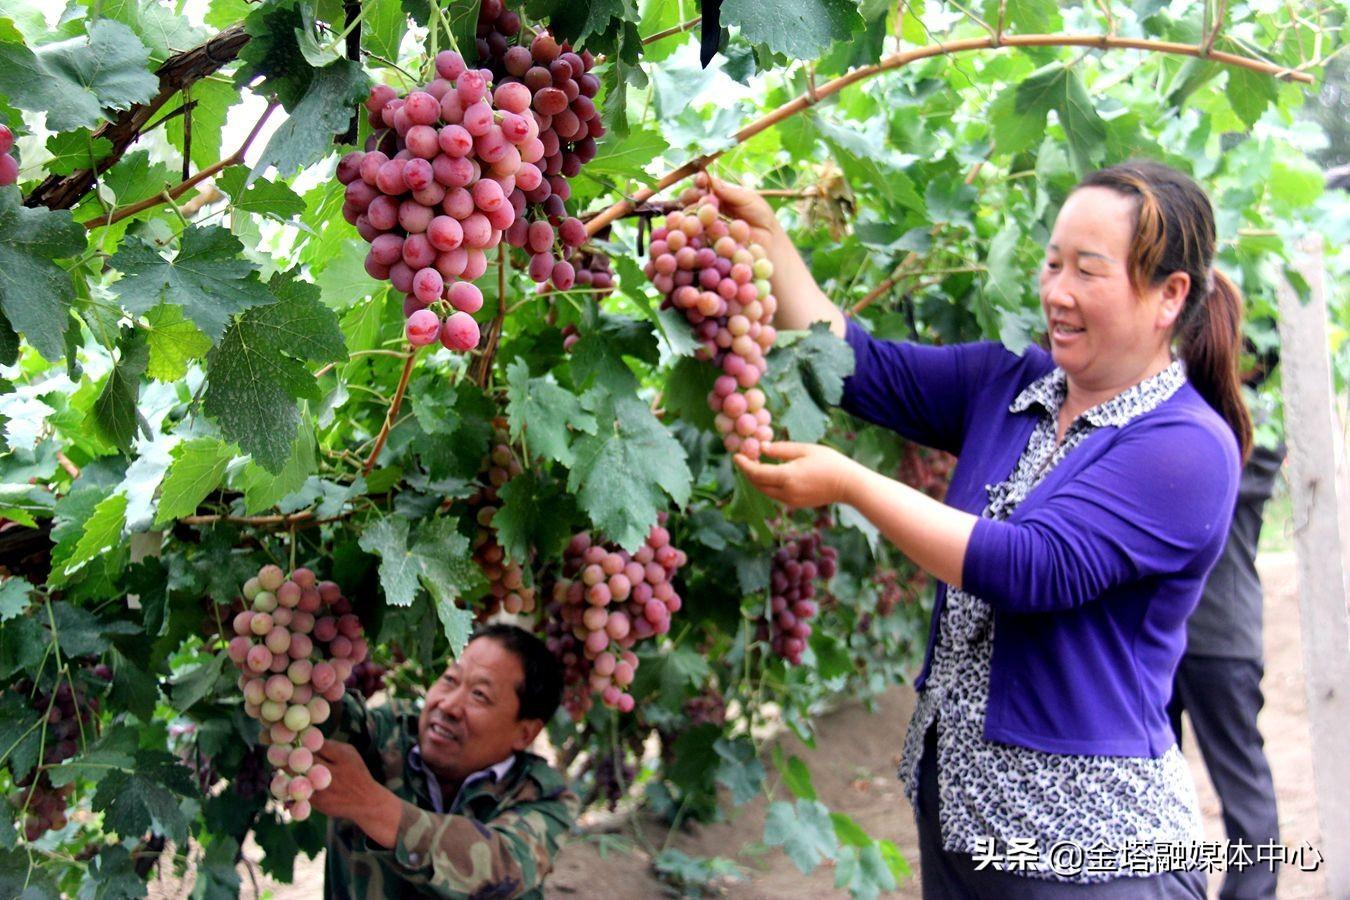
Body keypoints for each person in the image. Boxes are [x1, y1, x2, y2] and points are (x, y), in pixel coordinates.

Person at [726, 160, 1250, 897]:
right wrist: (767, 234)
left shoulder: (1186, 447)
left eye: (1088, 272)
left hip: (1087, 849)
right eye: (1052, 262)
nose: (1056, 293)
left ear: (1170, 295)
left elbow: (1031, 567)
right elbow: (856, 364)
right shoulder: (1011, 385)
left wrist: (849, 484)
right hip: (963, 825)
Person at [311, 623, 577, 898]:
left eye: (479, 695)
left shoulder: (545, 798)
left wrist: (369, 804)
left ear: (525, 733)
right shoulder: (384, 735)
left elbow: (502, 865)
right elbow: (324, 715)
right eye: (450, 679)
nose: (448, 705)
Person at [1169, 409, 1285, 900]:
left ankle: (1251, 893)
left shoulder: (1256, 428)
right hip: (1160, 633)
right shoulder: (1196, 418)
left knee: (1240, 780)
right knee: (1149, 777)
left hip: (1218, 635)